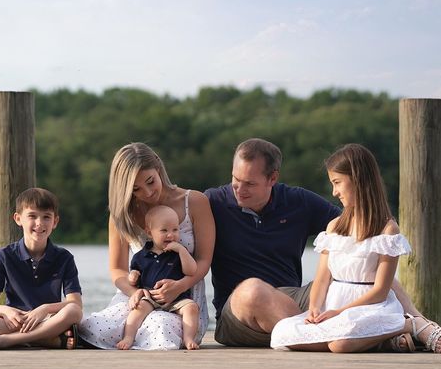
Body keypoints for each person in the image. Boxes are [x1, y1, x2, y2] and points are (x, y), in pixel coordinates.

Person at [205, 137, 439, 349]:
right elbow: (172, 225)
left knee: (373, 262)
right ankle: (374, 335)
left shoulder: (298, 201)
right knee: (253, 289)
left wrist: (384, 224)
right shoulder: (212, 202)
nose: (239, 189)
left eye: (249, 183)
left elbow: (361, 232)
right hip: (239, 313)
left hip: (296, 298)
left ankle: (421, 324)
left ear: (272, 178)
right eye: (235, 179)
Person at [271, 143, 441, 353]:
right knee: (281, 333)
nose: (334, 192)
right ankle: (387, 340)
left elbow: (380, 290)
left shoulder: (388, 230)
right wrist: (314, 308)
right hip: (334, 306)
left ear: (358, 180)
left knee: (340, 344)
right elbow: (323, 278)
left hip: (370, 308)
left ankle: (408, 324)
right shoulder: (334, 227)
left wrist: (340, 312)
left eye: (337, 183)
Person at [78, 142, 215, 350]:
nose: (148, 193)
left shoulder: (195, 202)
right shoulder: (123, 215)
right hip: (137, 297)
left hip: (183, 301)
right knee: (91, 327)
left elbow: (204, 260)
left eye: (151, 181)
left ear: (158, 167)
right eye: (136, 189)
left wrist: (179, 286)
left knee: (158, 327)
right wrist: (135, 292)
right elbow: (117, 269)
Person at [0, 188, 82, 351]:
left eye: (46, 217)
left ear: (55, 222)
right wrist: (6, 310)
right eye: (32, 216)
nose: (39, 223)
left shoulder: (64, 257)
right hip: (14, 321)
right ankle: (47, 340)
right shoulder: (4, 256)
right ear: (18, 218)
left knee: (74, 312)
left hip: (47, 320)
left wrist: (44, 309)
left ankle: (6, 341)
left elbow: (75, 303)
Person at [118, 205, 200, 350]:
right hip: (150, 296)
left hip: (177, 298)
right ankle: (128, 336)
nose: (171, 235)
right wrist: (133, 276)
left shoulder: (180, 253)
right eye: (164, 230)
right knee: (137, 308)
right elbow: (134, 274)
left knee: (192, 308)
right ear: (149, 233)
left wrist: (181, 250)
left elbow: (192, 270)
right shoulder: (141, 256)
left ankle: (188, 338)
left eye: (175, 230)